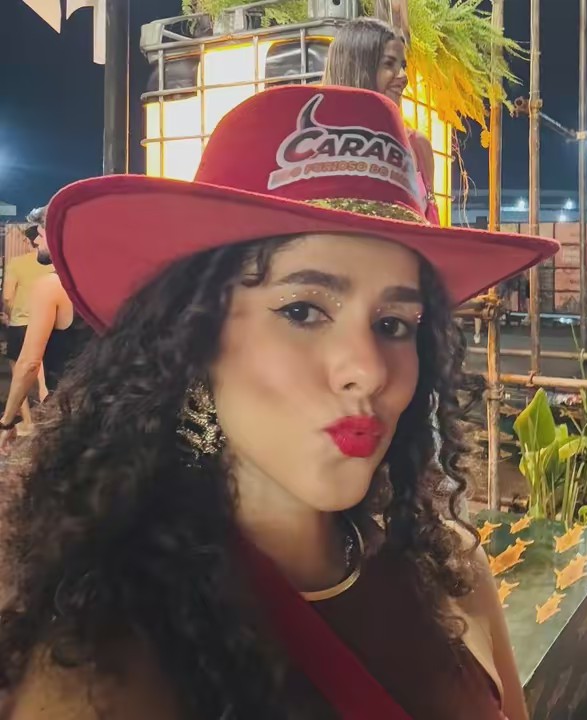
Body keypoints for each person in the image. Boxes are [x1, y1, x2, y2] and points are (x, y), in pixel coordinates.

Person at [0, 86, 556, 719]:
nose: (369, 371)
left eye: (394, 323)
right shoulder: (105, 667)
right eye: (303, 311)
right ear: (195, 339)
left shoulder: (453, 572)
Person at [323, 17, 440, 225]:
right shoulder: (317, 147)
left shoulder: (418, 146)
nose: (403, 76)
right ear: (356, 67)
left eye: (403, 65)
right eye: (389, 64)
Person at [0, 206, 91, 449]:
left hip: (67, 411)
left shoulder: (52, 285)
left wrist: (7, 422)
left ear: (58, 238)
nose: (37, 240)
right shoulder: (102, 282)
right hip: (108, 409)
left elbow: (29, 363)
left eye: (40, 233)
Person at [1, 219, 53, 429]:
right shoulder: (53, 264)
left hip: (21, 324)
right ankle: (49, 421)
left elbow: (7, 296)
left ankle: (27, 424)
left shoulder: (17, 263)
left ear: (28, 242)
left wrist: (10, 314)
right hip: (49, 324)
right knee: (44, 378)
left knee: (19, 376)